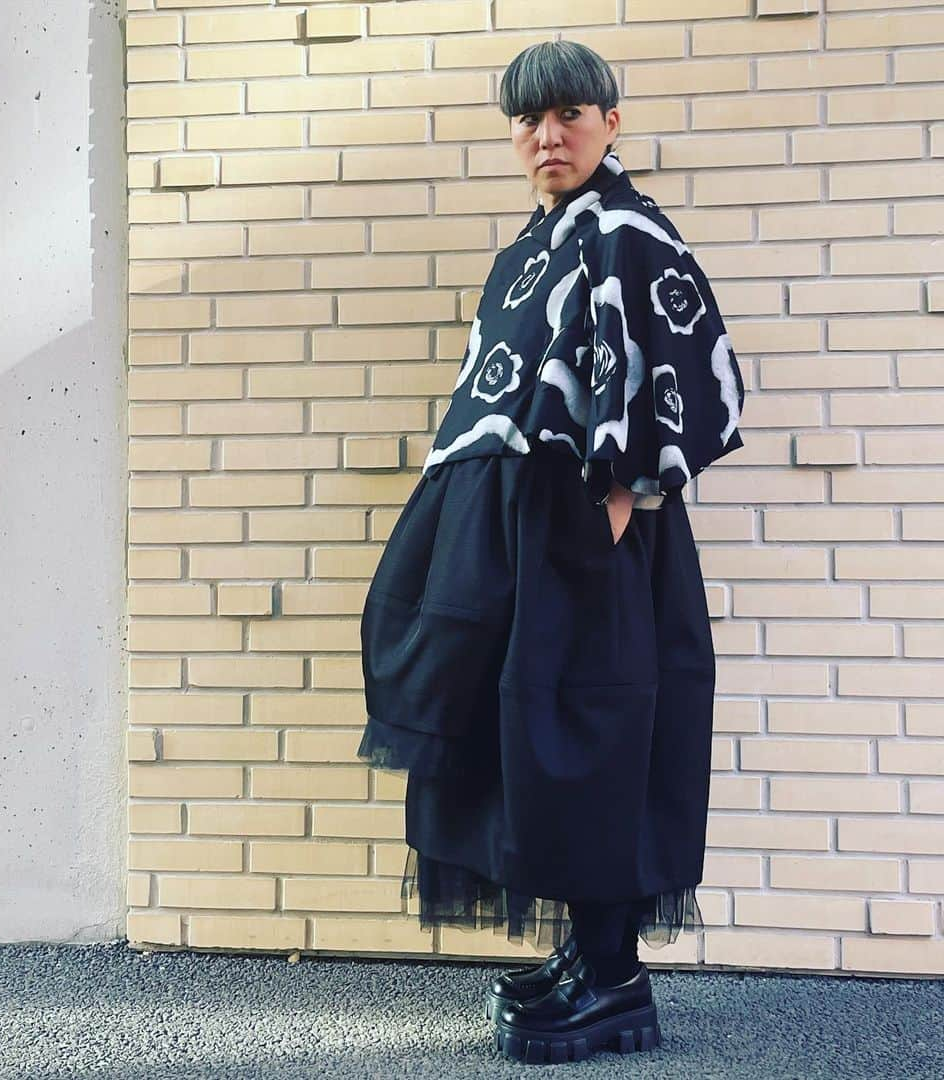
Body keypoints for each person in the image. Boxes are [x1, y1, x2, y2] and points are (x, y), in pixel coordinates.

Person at [357, 39, 747, 1065]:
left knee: (597, 741)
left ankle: (615, 984)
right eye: (529, 120)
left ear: (611, 122)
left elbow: (696, 372)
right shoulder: (533, 247)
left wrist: (613, 506)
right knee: (536, 744)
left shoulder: (628, 233)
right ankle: (589, 959)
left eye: (571, 114)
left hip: (590, 543)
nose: (548, 135)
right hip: (522, 536)